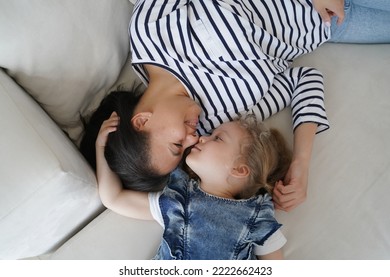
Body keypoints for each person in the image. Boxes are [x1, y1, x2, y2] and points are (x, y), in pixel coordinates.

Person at [81, 0, 390, 211]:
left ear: (141, 122)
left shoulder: (150, 32)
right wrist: (301, 164)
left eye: (177, 144)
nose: (193, 140)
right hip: (330, 25)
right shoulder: (220, 120)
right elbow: (303, 81)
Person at [96, 112, 292, 259]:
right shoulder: (177, 198)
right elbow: (113, 198)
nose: (202, 137)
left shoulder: (256, 215)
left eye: (217, 138)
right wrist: (101, 147)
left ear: (239, 170)